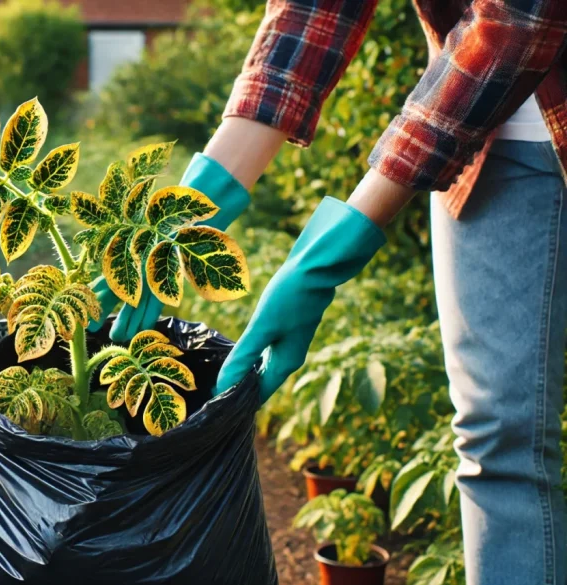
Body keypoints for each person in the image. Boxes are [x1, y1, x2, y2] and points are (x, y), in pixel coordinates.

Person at [89, 1, 567, 583]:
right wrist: (197, 205)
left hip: (517, 81)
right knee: (497, 442)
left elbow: (522, 16)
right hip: (489, 129)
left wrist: (327, 256)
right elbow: (316, 10)